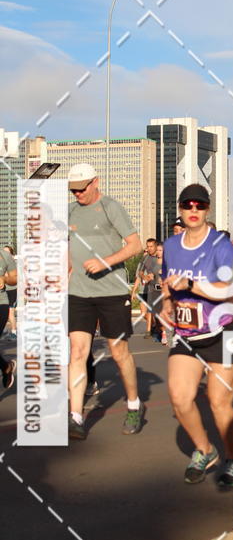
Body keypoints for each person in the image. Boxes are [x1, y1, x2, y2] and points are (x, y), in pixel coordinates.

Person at [161, 184, 233, 487]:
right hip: (187, 333)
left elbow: (230, 289)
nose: (193, 211)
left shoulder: (221, 245)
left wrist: (193, 287)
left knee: (219, 402)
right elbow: (167, 281)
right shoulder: (170, 246)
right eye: (188, 206)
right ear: (180, 209)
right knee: (179, 397)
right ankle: (205, 450)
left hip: (223, 330)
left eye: (199, 206)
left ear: (207, 209)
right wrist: (168, 304)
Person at [67, 163, 145, 439]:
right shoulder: (70, 211)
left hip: (112, 292)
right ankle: (75, 416)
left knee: (118, 352)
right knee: (77, 352)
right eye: (73, 190)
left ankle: (134, 405)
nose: (77, 194)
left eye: (81, 188)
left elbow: (134, 245)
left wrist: (105, 262)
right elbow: (67, 248)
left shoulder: (112, 207)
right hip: (78, 293)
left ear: (95, 182)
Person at [131, 238, 160, 338]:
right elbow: (140, 273)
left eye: (151, 246)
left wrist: (154, 276)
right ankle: (151, 329)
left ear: (156, 246)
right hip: (149, 287)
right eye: (148, 246)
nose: (149, 248)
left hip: (159, 287)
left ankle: (154, 329)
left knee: (157, 311)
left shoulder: (160, 257)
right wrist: (145, 277)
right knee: (146, 311)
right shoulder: (145, 258)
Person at [0, 247, 17, 389]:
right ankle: (6, 367)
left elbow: (15, 279)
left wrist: (4, 279)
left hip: (1, 303)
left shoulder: (5, 255)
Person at [3, 246, 17, 340]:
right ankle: (4, 331)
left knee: (10, 312)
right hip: (3, 290)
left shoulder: (12, 264)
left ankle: (13, 332)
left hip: (11, 290)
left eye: (7, 253)